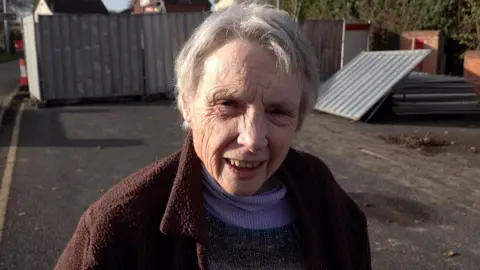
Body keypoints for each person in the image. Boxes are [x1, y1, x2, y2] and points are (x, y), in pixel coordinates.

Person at [55, 2, 371, 269]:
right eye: (228, 104)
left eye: (278, 111)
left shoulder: (329, 201)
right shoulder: (119, 226)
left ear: (299, 118)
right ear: (187, 104)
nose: (252, 139)